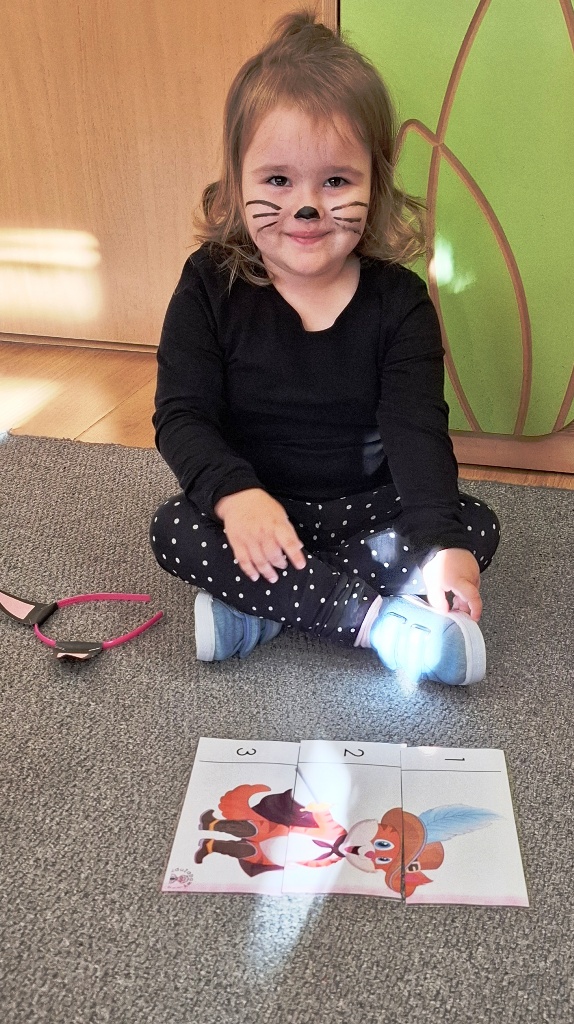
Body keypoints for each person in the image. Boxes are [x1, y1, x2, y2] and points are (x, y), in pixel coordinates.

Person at [150, 9, 500, 686]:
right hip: (259, 510)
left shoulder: (399, 302)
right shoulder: (208, 284)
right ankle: (378, 624)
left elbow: (417, 432)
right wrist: (236, 496)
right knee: (175, 528)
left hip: (366, 511)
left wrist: (443, 545)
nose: (307, 208)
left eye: (336, 181)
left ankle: (267, 608)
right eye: (278, 181)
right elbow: (182, 416)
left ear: (375, 182)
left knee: (472, 527)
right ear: (237, 180)